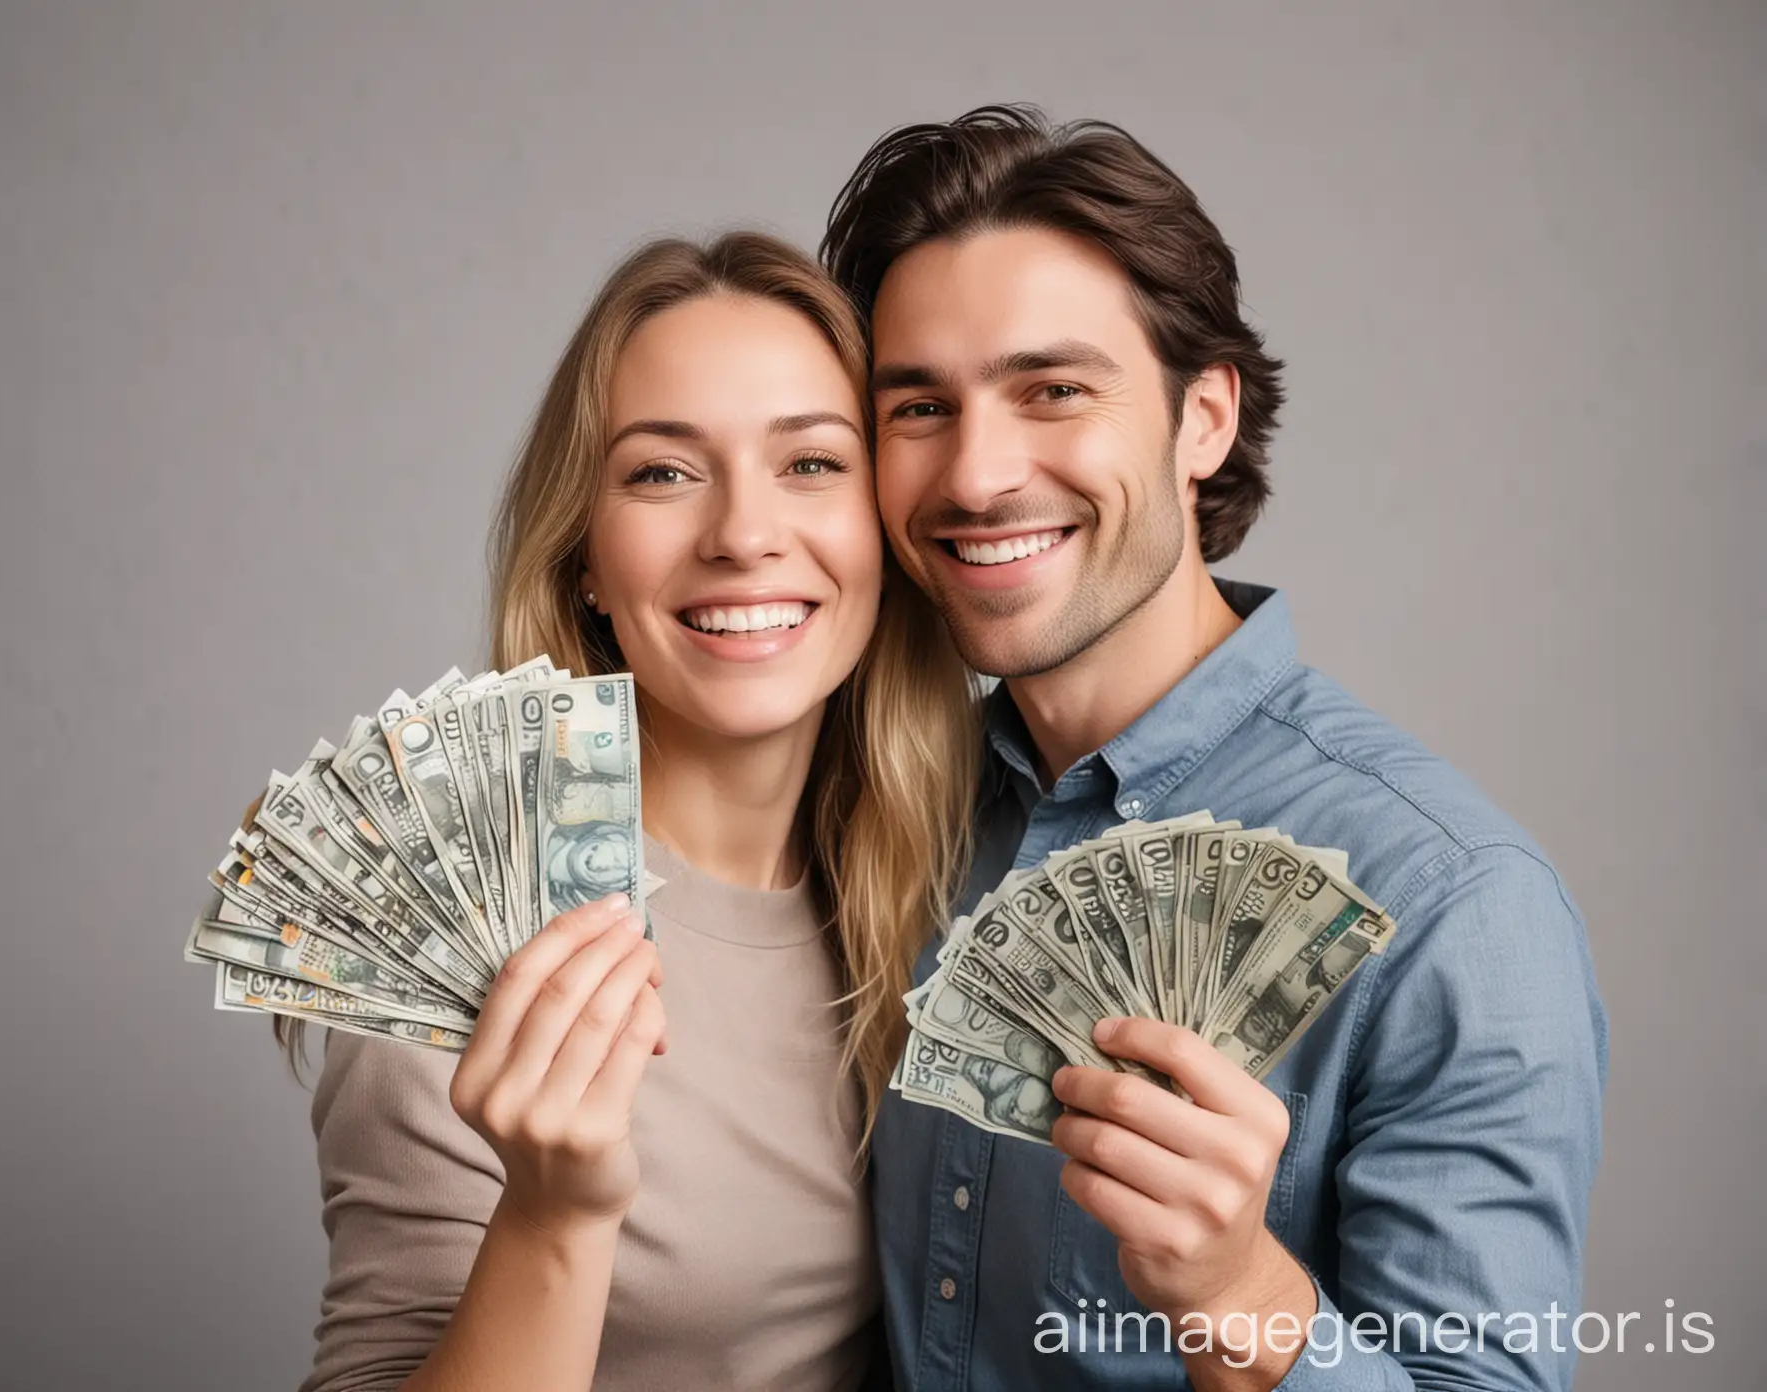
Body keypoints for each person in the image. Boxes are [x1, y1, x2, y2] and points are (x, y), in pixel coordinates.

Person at [820, 105, 1608, 1391]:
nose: (974, 475)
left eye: (1053, 390)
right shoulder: (879, 815)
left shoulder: (1455, 904)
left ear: (1204, 421)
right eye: (919, 406)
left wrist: (1243, 1298)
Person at [297, 232, 981, 1391]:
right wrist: (554, 1219)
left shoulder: (943, 886)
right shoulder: (468, 936)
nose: (744, 535)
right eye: (664, 473)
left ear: (886, 529)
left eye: (812, 464)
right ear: (584, 564)